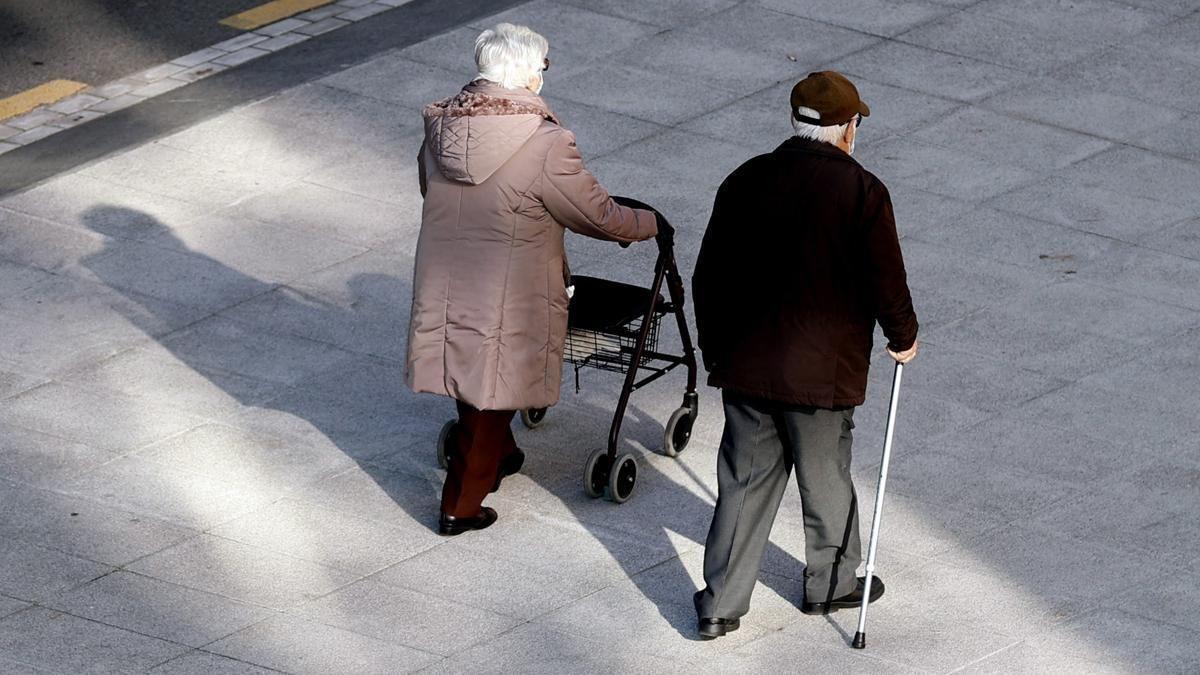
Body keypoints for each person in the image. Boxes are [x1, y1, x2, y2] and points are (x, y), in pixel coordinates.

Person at [690, 71, 919, 638]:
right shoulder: (863, 192)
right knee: (826, 479)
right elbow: (886, 279)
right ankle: (832, 585)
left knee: (743, 482)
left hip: (748, 365)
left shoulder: (745, 179)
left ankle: (719, 604)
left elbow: (708, 275)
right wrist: (903, 335)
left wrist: (717, 350)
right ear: (848, 129)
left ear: (795, 122)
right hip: (821, 375)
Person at [406, 23, 658, 536]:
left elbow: (429, 189)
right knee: (493, 390)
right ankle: (460, 505)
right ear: (525, 73)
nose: (544, 73)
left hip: (447, 277)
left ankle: (502, 454)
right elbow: (596, 214)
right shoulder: (545, 142)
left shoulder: (442, 128)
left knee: (474, 373)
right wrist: (650, 223)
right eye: (543, 65)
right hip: (511, 290)